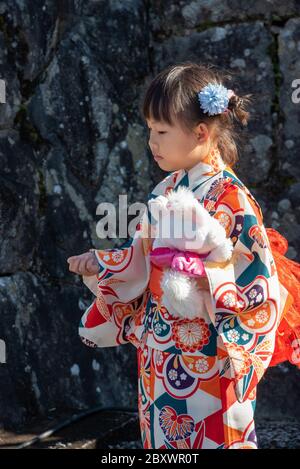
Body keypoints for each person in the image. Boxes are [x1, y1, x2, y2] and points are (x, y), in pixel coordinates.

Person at [67, 62, 300, 449]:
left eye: (161, 131)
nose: (151, 142)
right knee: (163, 439)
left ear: (201, 133)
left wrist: (195, 274)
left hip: (211, 350)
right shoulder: (165, 190)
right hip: (160, 351)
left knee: (215, 438)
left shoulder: (232, 199)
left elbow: (256, 284)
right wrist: (105, 264)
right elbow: (139, 260)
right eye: (149, 131)